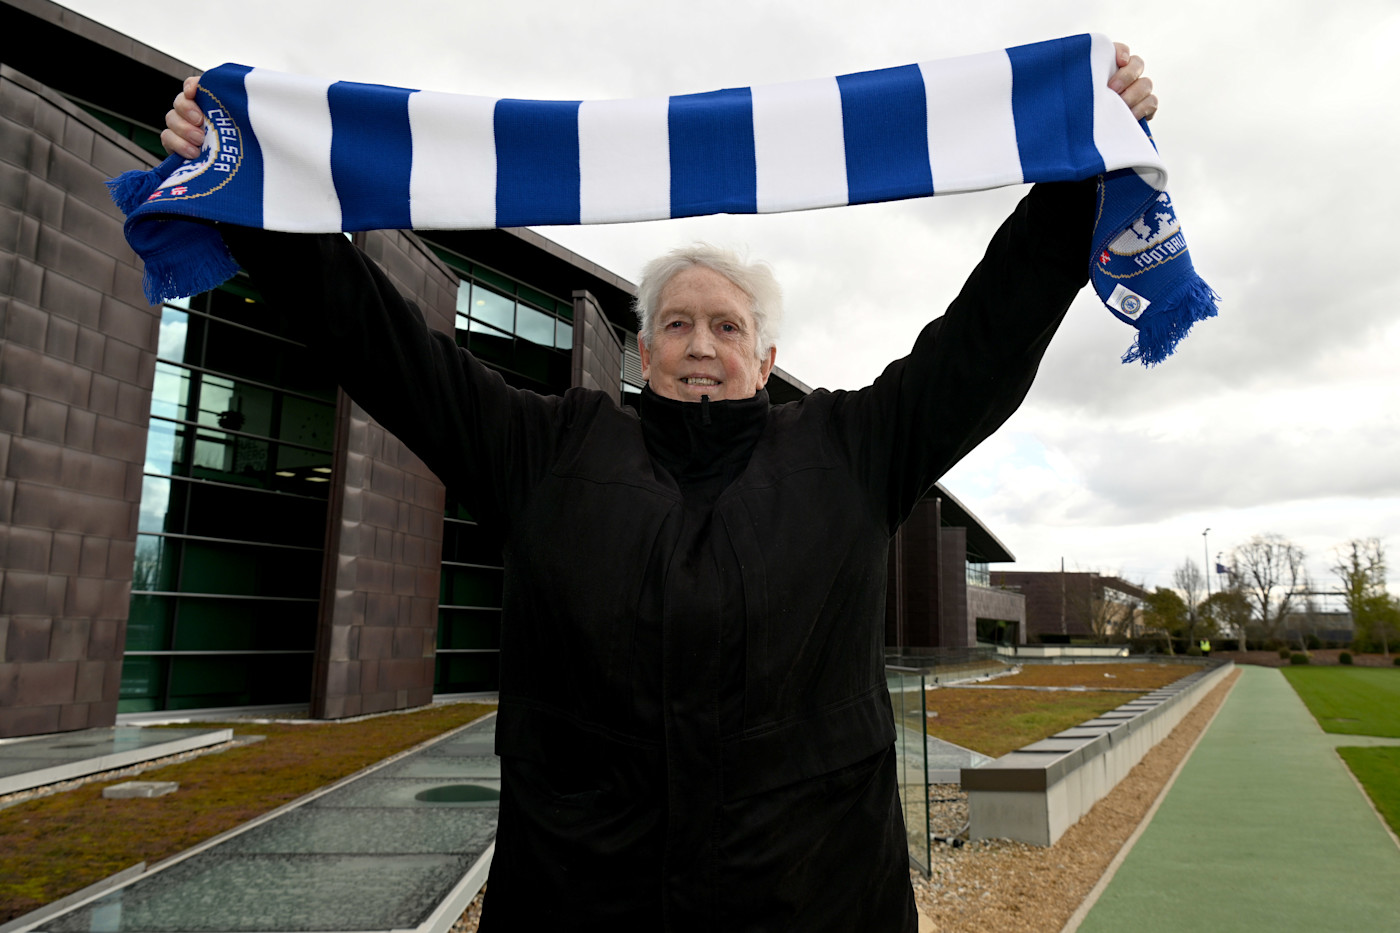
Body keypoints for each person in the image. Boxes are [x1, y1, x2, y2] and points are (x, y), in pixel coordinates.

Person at [162, 45, 1156, 933]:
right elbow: (383, 351)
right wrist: (249, 189)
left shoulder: (849, 451)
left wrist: (1082, 171)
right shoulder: (550, 449)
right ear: (640, 351)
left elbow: (982, 343)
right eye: (677, 324)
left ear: (766, 360)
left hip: (814, 895)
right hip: (582, 894)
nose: (699, 346)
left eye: (726, 328)